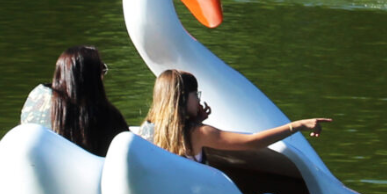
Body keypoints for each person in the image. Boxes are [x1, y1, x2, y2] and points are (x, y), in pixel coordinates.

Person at [141, 68, 331, 163]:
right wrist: (297, 125)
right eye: (195, 95)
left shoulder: (146, 129)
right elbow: (253, 142)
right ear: (183, 99)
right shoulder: (198, 133)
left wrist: (196, 121)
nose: (198, 101)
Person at [19, 45, 130, 156]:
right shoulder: (107, 116)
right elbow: (128, 151)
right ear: (92, 78)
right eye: (102, 70)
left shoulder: (37, 96)